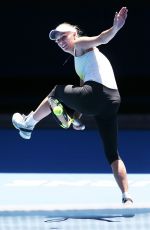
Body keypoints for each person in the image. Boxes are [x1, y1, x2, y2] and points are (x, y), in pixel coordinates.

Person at [12, 7, 133, 205]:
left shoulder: (80, 44)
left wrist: (116, 27)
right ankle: (126, 196)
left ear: (74, 34)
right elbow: (82, 96)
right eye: (57, 40)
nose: (60, 42)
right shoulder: (80, 61)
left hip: (98, 95)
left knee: (57, 92)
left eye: (63, 37)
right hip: (111, 102)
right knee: (112, 153)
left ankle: (28, 124)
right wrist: (77, 118)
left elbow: (101, 38)